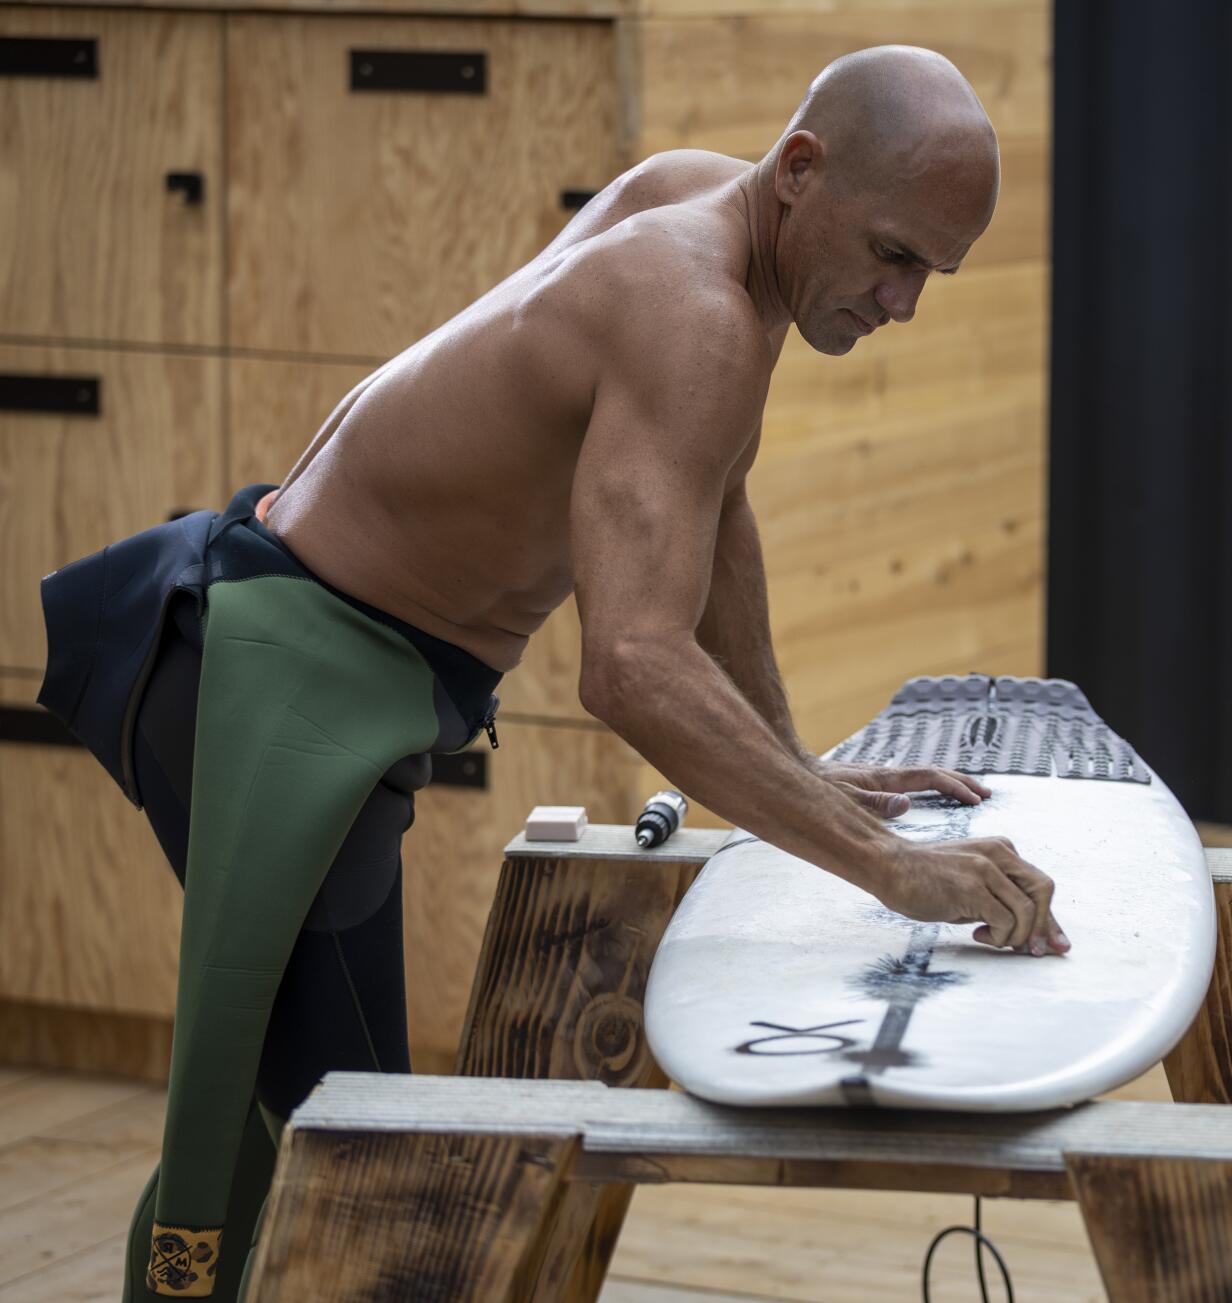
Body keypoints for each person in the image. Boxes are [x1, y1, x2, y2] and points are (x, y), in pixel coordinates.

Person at [36, 45, 1067, 1301]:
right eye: (897, 255)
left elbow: (712, 498)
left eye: (932, 276)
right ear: (800, 170)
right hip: (275, 687)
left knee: (328, 1144)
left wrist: (796, 768)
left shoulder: (712, 214)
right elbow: (631, 664)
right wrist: (886, 865)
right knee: (369, 1178)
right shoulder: (695, 312)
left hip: (306, 658)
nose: (903, 303)